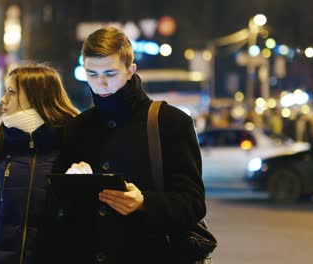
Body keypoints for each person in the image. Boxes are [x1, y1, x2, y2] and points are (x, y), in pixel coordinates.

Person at [46, 27, 206, 263]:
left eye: (110, 73)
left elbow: (193, 204)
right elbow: (57, 207)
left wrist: (145, 202)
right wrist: (71, 182)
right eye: (91, 73)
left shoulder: (170, 123)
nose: (100, 83)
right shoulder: (78, 127)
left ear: (130, 71)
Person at [0, 64, 79, 264]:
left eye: (11, 92)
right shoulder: (3, 143)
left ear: (36, 97)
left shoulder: (71, 144)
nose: (3, 99)